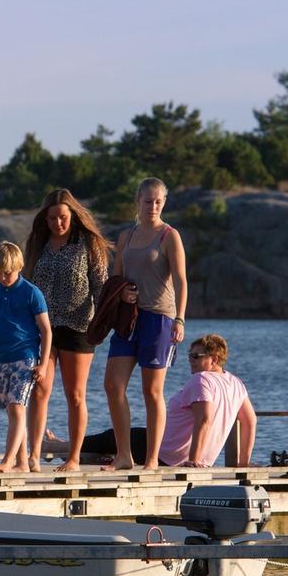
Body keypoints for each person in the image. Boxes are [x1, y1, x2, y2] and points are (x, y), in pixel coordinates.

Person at [47, 334, 256, 467]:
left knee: (114, 437)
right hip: (193, 457)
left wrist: (193, 461)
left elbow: (204, 420)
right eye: (189, 355)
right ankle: (63, 446)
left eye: (196, 356)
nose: (190, 360)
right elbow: (250, 421)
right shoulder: (236, 383)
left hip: (167, 454)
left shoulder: (202, 379)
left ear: (214, 359)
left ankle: (58, 447)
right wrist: (243, 462)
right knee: (120, 439)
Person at [23, 188, 111, 472]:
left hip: (78, 327)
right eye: (51, 218)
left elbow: (101, 286)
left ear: (72, 216)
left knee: (75, 394)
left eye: (62, 217)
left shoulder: (88, 244)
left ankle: (73, 458)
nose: (57, 223)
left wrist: (101, 326)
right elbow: (26, 285)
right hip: (43, 327)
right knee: (39, 389)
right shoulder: (38, 244)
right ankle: (34, 455)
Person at [104, 177, 188, 470]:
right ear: (138, 201)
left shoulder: (169, 236)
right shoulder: (126, 236)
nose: (152, 206)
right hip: (129, 317)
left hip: (159, 317)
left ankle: (152, 459)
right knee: (113, 385)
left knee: (151, 391)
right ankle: (124, 454)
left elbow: (180, 280)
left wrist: (180, 318)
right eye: (147, 201)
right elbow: (115, 277)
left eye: (158, 202)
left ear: (163, 203)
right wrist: (121, 291)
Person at [0, 240, 52, 473]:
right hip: (0, 359)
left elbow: (46, 330)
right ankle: (22, 463)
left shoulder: (31, 292)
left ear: (19, 266)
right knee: (11, 410)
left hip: (25, 357)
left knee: (18, 406)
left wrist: (42, 363)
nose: (2, 277)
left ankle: (8, 460)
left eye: (7, 272)